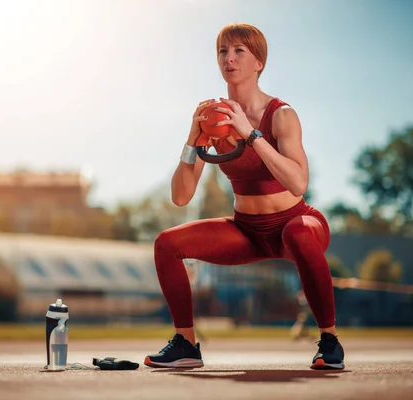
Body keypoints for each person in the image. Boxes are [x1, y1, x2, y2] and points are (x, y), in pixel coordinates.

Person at [144, 23, 345, 370]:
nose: (229, 58)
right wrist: (193, 138)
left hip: (295, 224)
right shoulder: (215, 121)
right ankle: (187, 345)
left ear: (259, 63)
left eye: (239, 51)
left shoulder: (281, 114)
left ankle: (329, 341)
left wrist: (251, 135)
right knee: (166, 243)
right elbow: (181, 197)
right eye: (223, 51)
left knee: (297, 231)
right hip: (246, 229)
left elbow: (298, 182)